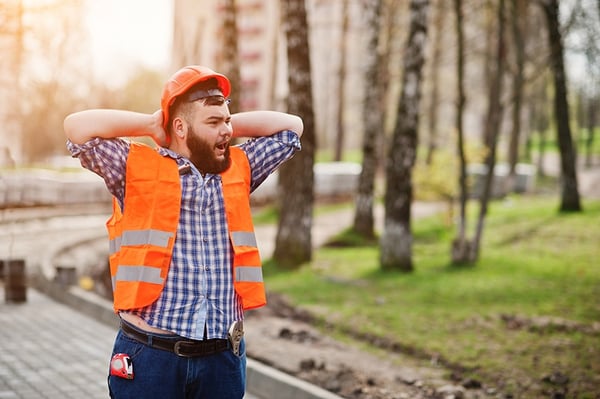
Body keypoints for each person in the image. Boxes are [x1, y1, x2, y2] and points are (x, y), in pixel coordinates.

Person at [64, 65, 303, 398]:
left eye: (227, 121)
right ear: (179, 127)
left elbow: (292, 128)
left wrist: (222, 124)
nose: (226, 132)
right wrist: (152, 124)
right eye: (214, 123)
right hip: (151, 359)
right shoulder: (135, 168)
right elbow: (77, 128)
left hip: (222, 362)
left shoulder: (239, 167)